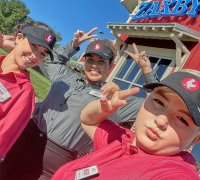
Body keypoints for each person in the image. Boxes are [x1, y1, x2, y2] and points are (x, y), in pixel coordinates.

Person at [0, 28, 158, 180]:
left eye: (101, 61)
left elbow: (155, 108)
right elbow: (53, 61)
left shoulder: (114, 98)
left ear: (110, 66)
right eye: (90, 60)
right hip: (21, 140)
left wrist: (147, 72)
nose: (94, 65)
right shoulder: (66, 77)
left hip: (51, 165)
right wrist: (74, 44)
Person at [51, 70, 200, 180]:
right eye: (159, 102)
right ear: (145, 101)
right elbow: (87, 120)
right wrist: (102, 109)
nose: (161, 121)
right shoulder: (123, 139)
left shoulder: (173, 172)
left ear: (196, 138)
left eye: (182, 119)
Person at [0, 20, 56, 162]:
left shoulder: (24, 92)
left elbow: (4, 137)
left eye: (43, 54)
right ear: (19, 38)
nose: (35, 56)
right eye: (34, 46)